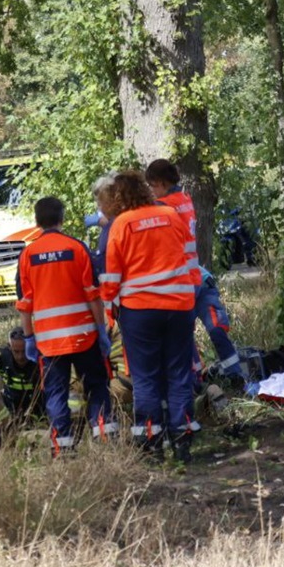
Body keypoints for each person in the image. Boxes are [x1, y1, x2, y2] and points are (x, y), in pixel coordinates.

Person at [100, 171, 200, 461]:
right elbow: (190, 258)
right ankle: (182, 437)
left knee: (145, 376)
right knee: (179, 372)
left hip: (140, 310)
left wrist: (109, 309)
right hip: (179, 306)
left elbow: (111, 276)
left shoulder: (122, 224)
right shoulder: (171, 215)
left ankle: (151, 440)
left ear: (119, 197)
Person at [16, 196, 115, 456]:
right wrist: (101, 331)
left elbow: (25, 303)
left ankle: (63, 446)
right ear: (62, 218)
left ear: (37, 221)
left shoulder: (27, 255)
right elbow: (93, 296)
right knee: (96, 384)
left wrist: (28, 338)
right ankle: (105, 436)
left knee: (56, 393)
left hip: (49, 343)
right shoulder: (77, 248)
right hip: (84, 336)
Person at [145, 159, 248, 385]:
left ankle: (197, 383)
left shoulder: (163, 207)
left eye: (152, 186)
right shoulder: (184, 198)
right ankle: (236, 378)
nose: (150, 191)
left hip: (181, 281)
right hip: (197, 275)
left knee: (181, 335)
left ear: (161, 183)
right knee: (216, 330)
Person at [0, 328, 42, 418]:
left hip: (37, 405)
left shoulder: (39, 358)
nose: (20, 357)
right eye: (16, 352)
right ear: (9, 347)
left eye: (24, 351)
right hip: (10, 404)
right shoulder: (0, 358)